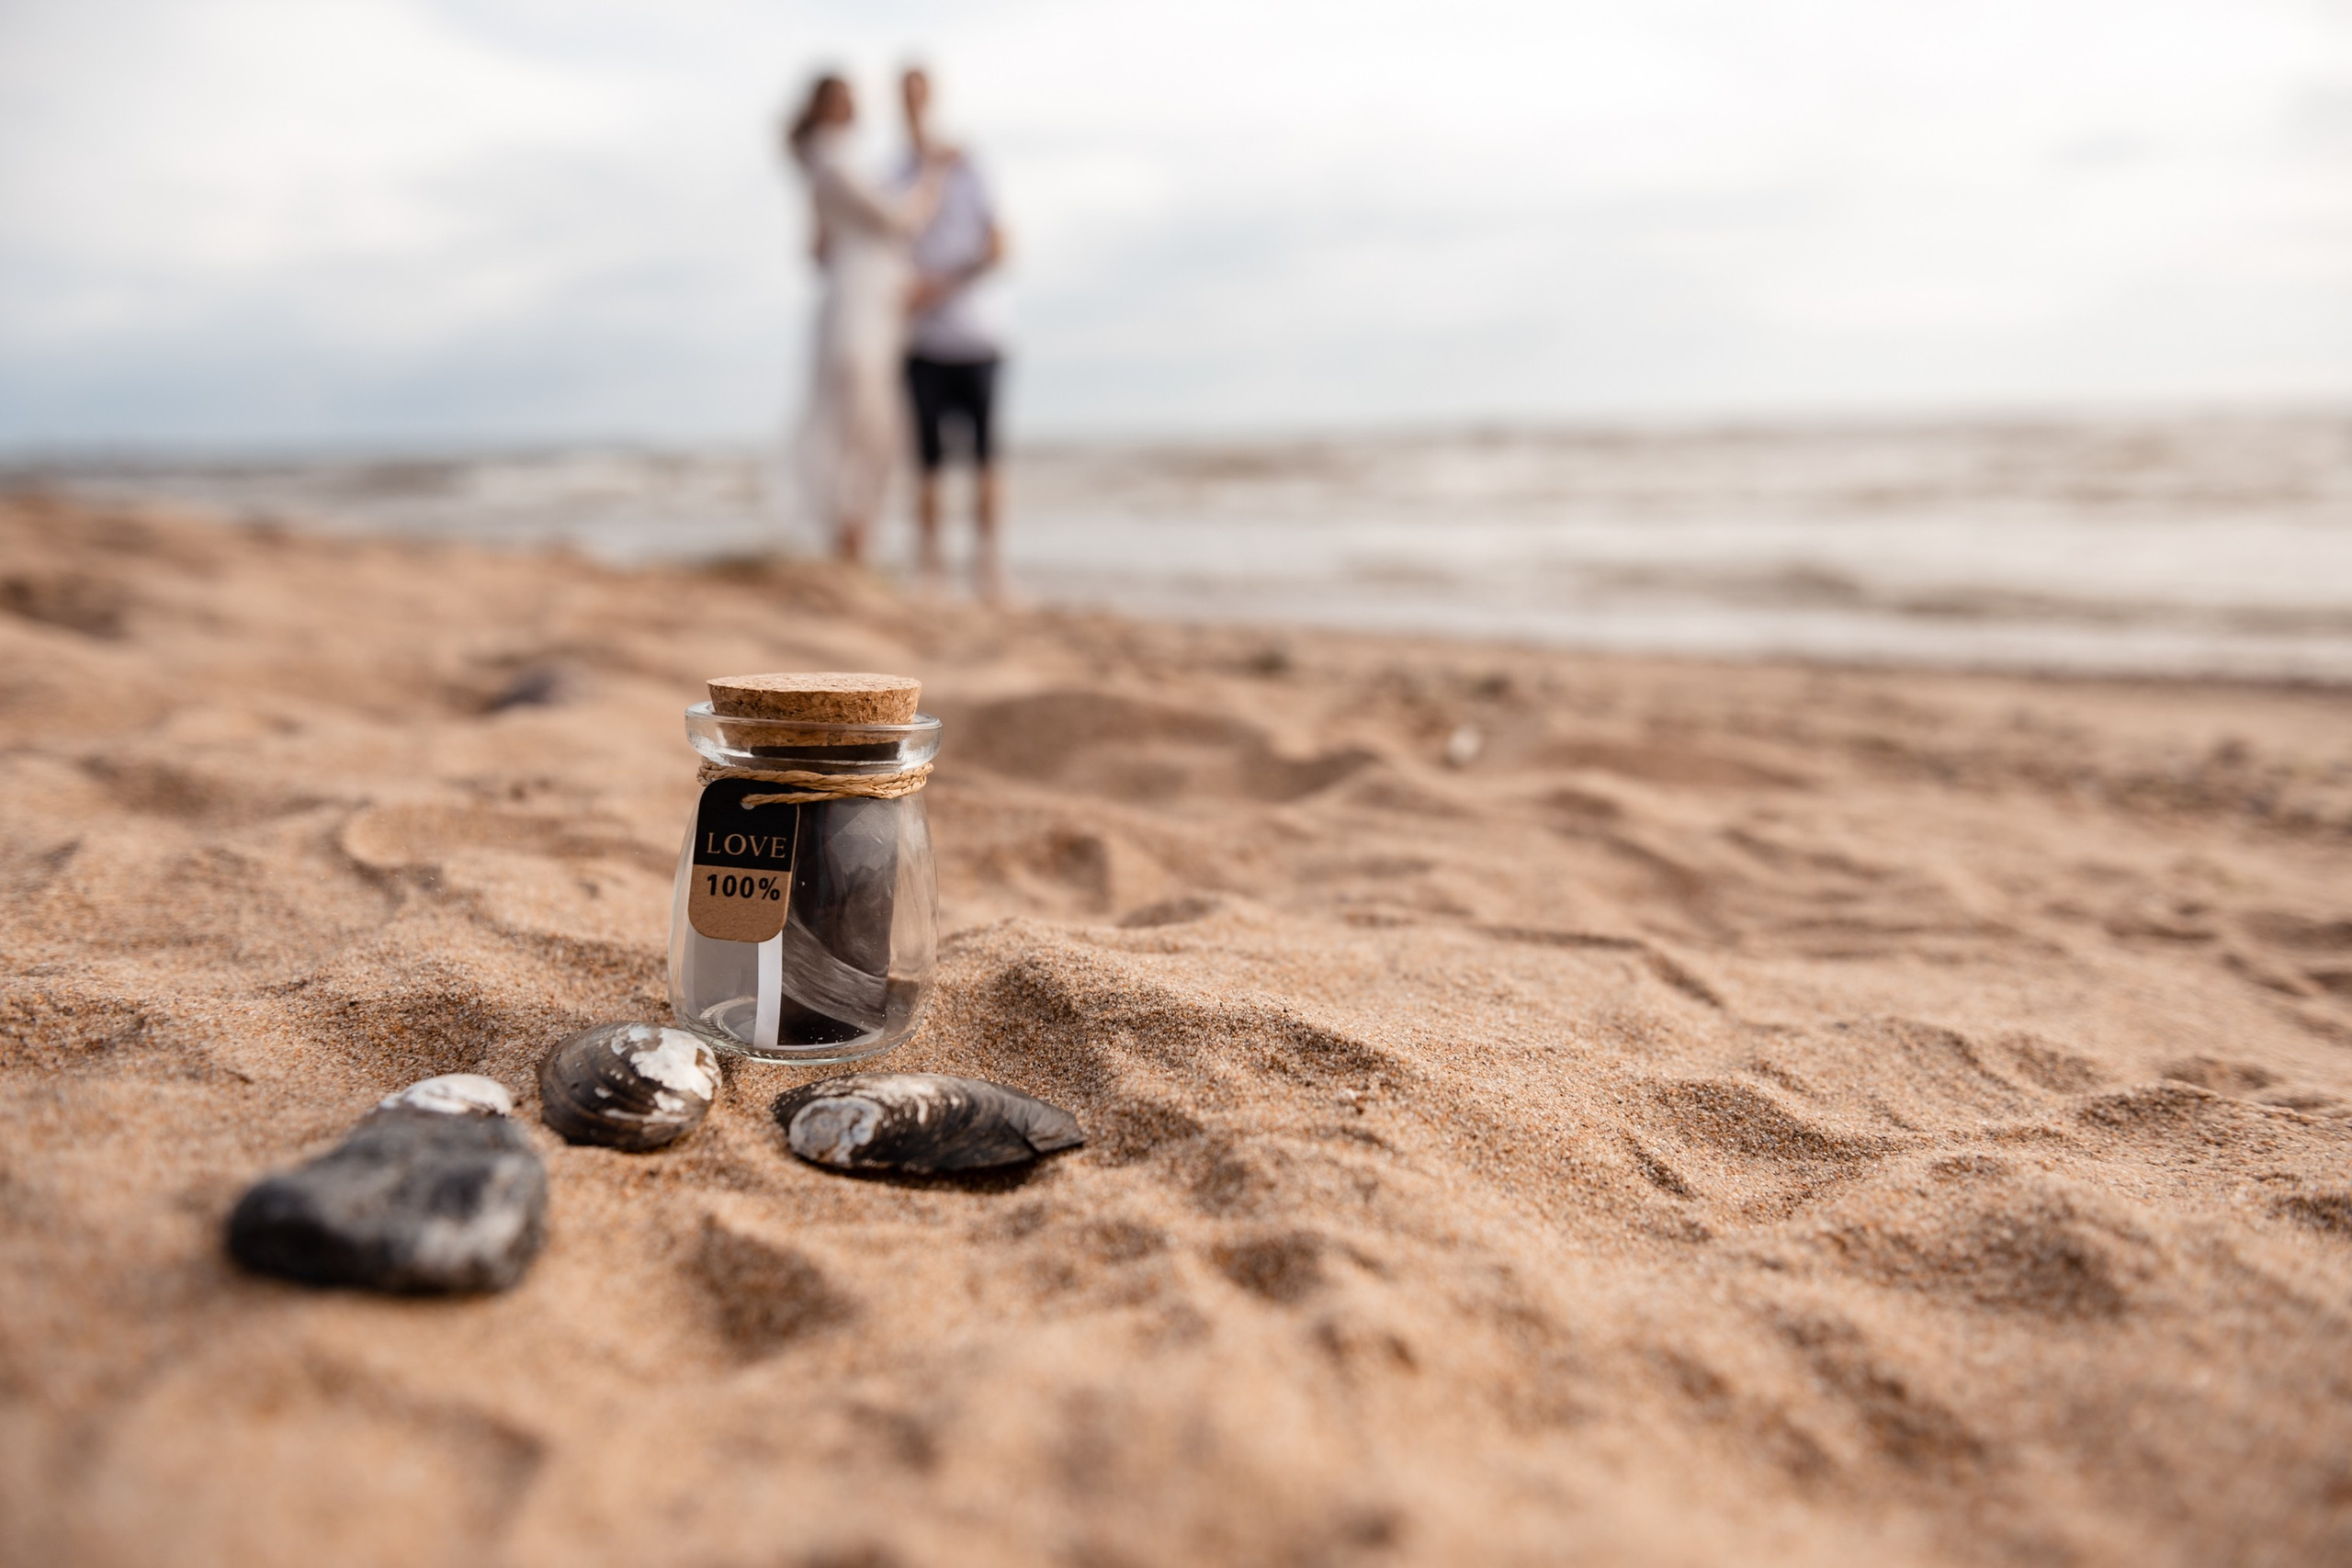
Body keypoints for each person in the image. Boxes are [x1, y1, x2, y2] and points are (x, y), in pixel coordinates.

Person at [783, 73, 948, 564]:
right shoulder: (831, 157)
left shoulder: (831, 160)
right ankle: (852, 537)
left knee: (861, 418)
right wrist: (933, 175)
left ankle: (854, 536)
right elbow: (901, 219)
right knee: (864, 419)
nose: (857, 103)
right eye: (846, 97)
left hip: (864, 295)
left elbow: (815, 247)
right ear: (826, 107)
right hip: (861, 301)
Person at [896, 67, 1009, 600]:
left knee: (987, 459)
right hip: (920, 343)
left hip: (978, 336)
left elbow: (1001, 245)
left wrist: (938, 286)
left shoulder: (969, 167)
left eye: (918, 95)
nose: (913, 106)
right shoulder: (893, 173)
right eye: (905, 97)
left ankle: (988, 570)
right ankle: (932, 571)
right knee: (928, 465)